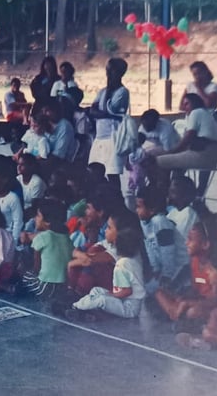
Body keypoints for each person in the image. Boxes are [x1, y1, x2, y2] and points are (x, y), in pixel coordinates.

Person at [69, 221, 145, 320]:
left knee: (102, 299)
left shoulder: (122, 265)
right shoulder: (131, 261)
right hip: (127, 300)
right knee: (96, 290)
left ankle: (75, 307)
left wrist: (111, 295)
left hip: (129, 307)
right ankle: (86, 308)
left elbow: (127, 291)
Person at [156, 94, 217, 195]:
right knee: (175, 166)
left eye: (187, 104)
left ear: (195, 103)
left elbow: (187, 139)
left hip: (203, 154)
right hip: (212, 155)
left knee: (158, 161)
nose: (184, 107)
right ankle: (176, 192)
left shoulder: (196, 113)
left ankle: (162, 194)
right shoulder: (205, 113)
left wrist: (171, 152)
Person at [136, 185, 189, 295]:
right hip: (163, 267)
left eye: (139, 207)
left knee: (155, 293)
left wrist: (166, 275)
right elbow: (149, 247)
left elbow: (168, 252)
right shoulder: (144, 222)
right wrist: (155, 268)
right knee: (145, 289)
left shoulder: (160, 222)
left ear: (152, 210)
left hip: (180, 266)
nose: (136, 210)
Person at [88, 58, 130, 189]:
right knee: (94, 173)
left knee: (112, 175)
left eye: (111, 70)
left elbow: (110, 109)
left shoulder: (122, 92)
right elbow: (92, 111)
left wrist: (103, 113)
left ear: (120, 72)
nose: (108, 73)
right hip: (99, 137)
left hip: (113, 138)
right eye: (107, 70)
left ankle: (116, 200)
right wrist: (105, 114)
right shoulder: (102, 91)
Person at [19, 199, 73, 299]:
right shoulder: (67, 237)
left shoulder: (42, 237)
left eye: (38, 215)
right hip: (62, 287)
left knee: (25, 274)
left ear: (47, 222)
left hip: (45, 287)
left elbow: (37, 267)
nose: (35, 218)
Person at [0, 160, 24, 246]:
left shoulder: (12, 198)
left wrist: (13, 244)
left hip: (6, 239)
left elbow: (17, 223)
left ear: (4, 179)